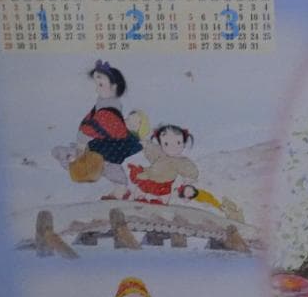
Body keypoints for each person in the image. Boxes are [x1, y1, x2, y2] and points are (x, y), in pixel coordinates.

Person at [52, 60, 143, 200]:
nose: (97, 89)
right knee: (105, 165)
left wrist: (83, 138)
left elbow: (100, 124)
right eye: (96, 85)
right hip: (106, 142)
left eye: (100, 85)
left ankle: (121, 189)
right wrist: (82, 136)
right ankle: (120, 188)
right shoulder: (102, 104)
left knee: (109, 165)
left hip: (115, 143)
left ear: (114, 87)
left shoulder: (110, 107)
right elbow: (90, 121)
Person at [128, 124, 199, 204]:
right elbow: (151, 149)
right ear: (160, 143)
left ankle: (159, 201)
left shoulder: (181, 161)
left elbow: (190, 170)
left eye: (178, 143)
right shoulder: (160, 153)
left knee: (164, 195)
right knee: (142, 188)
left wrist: (188, 182)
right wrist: (146, 144)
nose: (172, 147)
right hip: (150, 178)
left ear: (184, 143)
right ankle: (139, 198)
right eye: (166, 143)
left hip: (165, 184)